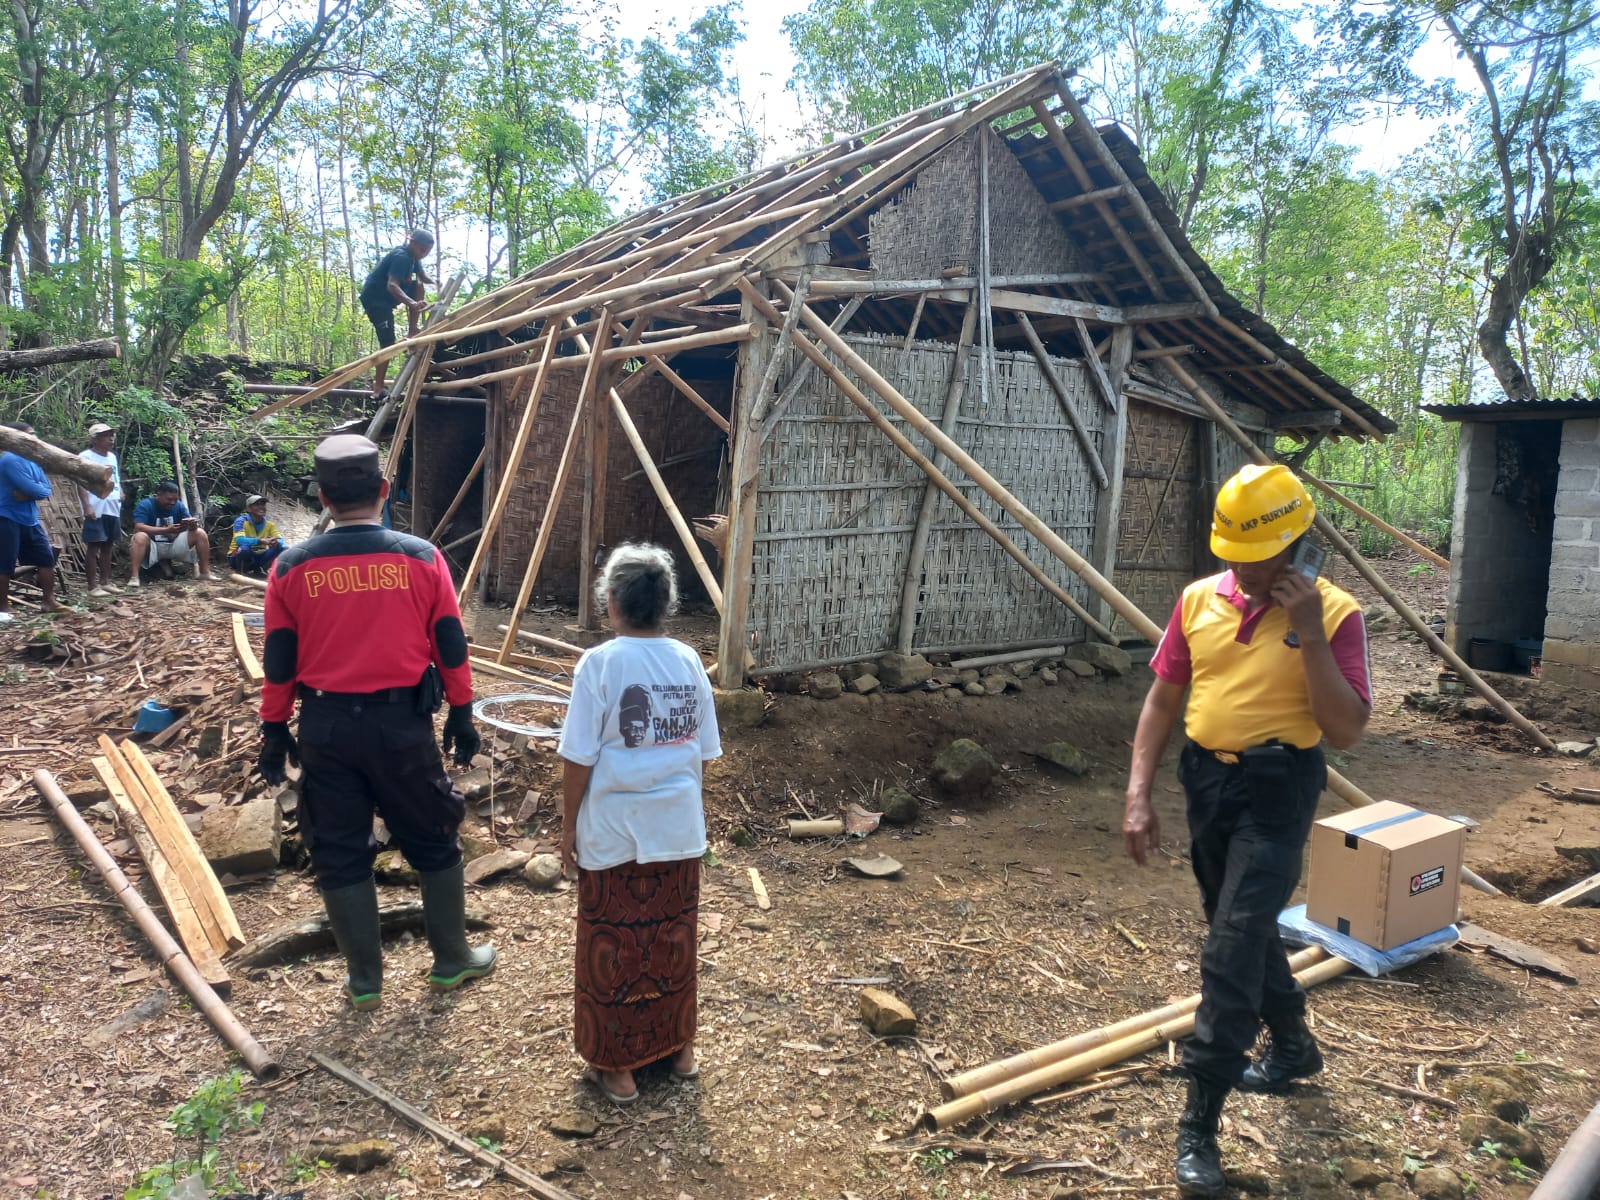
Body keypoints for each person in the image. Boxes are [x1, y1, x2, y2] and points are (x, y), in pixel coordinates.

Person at [1121, 464, 1372, 1198]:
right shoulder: (1199, 599)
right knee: (1243, 925)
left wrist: (1306, 634)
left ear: (1295, 545)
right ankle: (1293, 1047)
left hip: (1278, 790)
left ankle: (1199, 1123)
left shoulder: (1334, 613)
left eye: (1253, 554)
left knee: (1229, 947)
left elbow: (1347, 730)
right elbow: (1163, 701)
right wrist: (1139, 794)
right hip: (1209, 783)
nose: (1238, 566)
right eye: (1229, 551)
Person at [255, 433, 491, 1010]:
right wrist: (461, 711)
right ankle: (451, 960)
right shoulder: (421, 557)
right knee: (434, 836)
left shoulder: (290, 567)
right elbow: (451, 644)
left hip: (326, 727)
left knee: (338, 848)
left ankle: (364, 982)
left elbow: (279, 657)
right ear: (384, 491)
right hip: (401, 727)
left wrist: (273, 727)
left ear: (322, 497)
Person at [557, 543, 722, 1105]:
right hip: (677, 830)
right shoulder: (688, 661)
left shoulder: (599, 665)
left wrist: (567, 827)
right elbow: (702, 755)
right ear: (666, 604)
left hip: (615, 832)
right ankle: (679, 1051)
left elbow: (578, 758)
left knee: (614, 943)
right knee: (672, 939)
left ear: (612, 603)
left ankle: (619, 1068)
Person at [0, 421, 65, 621]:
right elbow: (34, 489)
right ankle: (2, 608)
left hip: (29, 519)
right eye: (30, 435)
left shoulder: (34, 460)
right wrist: (33, 491)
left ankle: (49, 601)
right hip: (6, 516)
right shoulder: (10, 460)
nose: (35, 438)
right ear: (17, 438)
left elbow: (46, 489)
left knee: (46, 559)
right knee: (5, 564)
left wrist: (30, 493)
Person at [360, 229, 434, 400]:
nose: (424, 254)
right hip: (376, 300)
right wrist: (413, 303)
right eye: (422, 250)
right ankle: (378, 387)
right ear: (413, 243)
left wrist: (437, 282)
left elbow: (422, 276)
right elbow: (392, 285)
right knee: (388, 343)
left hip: (387, 299)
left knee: (418, 285)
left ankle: (412, 329)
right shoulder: (401, 257)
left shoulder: (414, 258)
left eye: (427, 252)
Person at [128, 481, 219, 586]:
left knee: (200, 533)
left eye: (175, 499)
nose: (172, 502)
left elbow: (189, 522)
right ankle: (134, 577)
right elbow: (138, 526)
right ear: (159, 494)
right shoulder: (145, 505)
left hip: (175, 544)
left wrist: (192, 525)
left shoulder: (179, 506)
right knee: (139, 536)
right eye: (169, 499)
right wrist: (166, 530)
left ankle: (205, 572)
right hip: (153, 546)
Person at [79, 422, 125, 596]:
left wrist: (119, 490)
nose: (111, 438)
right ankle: (92, 586)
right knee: (94, 546)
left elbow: (115, 477)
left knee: (108, 544)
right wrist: (87, 505)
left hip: (112, 505)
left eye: (111, 435)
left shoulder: (112, 456)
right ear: (95, 439)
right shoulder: (86, 456)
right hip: (96, 505)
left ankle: (105, 582)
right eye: (106, 435)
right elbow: (81, 482)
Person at [228, 495, 285, 575]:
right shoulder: (240, 521)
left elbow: (281, 541)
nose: (261, 507)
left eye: (263, 504)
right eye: (257, 505)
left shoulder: (269, 524)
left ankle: (274, 572)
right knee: (244, 549)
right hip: (237, 557)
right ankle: (241, 572)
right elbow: (240, 540)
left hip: (258, 557)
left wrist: (277, 542)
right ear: (248, 509)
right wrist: (260, 540)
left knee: (283, 548)